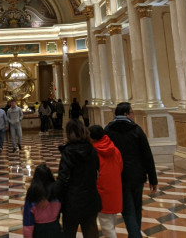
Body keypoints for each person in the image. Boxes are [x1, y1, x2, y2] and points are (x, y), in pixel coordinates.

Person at [105, 102, 157, 238]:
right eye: (132, 112)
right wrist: (153, 179)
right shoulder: (136, 130)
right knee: (135, 209)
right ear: (126, 114)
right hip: (137, 175)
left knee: (128, 210)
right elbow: (147, 155)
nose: (133, 115)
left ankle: (134, 235)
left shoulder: (109, 131)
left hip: (120, 176)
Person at [55, 118, 101, 238]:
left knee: (69, 233)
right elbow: (97, 170)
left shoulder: (68, 152)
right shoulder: (92, 150)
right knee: (91, 232)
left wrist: (51, 193)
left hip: (72, 200)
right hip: (90, 197)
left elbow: (63, 177)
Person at [89, 125, 123, 238]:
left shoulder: (94, 152)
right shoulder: (114, 149)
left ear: (93, 138)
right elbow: (120, 167)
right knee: (111, 223)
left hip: (102, 192)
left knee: (107, 228)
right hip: (116, 189)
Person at [23, 163, 63, 237]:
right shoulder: (56, 191)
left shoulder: (33, 193)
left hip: (39, 230)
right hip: (55, 228)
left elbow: (28, 220)